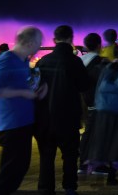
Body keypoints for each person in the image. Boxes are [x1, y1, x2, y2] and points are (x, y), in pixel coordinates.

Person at [34, 25, 90, 195]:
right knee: (70, 155)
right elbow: (84, 86)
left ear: (54, 40)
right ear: (71, 39)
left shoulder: (43, 62)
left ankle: (45, 188)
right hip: (68, 116)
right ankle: (69, 187)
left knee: (46, 155)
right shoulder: (75, 61)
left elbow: (35, 88)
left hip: (45, 117)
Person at [0, 27, 47, 195]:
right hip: (12, 124)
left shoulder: (23, 61)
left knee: (18, 169)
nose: (39, 47)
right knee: (10, 173)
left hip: (23, 122)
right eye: (38, 43)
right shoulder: (7, 59)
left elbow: (19, 85)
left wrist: (36, 90)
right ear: (30, 43)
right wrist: (24, 93)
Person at [85, 46, 118, 185]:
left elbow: (97, 90)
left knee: (102, 141)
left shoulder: (103, 69)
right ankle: (112, 176)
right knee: (117, 144)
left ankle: (96, 169)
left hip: (102, 112)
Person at [78, 33, 107, 175]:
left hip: (83, 102)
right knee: (100, 134)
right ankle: (97, 165)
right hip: (99, 102)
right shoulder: (101, 62)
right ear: (98, 46)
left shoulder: (79, 61)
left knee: (88, 133)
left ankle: (83, 163)